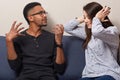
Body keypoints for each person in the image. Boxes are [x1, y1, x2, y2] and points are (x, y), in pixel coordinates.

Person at [6, 2, 65, 80]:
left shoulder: (53, 37)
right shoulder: (19, 38)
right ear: (30, 18)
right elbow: (14, 66)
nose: (45, 15)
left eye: (44, 12)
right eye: (41, 13)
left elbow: (60, 69)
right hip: (25, 77)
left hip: (47, 77)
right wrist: (9, 42)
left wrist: (59, 43)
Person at [64, 2, 120, 80]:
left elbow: (97, 32)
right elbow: (67, 28)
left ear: (97, 17)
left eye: (88, 17)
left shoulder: (112, 31)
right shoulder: (88, 34)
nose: (85, 21)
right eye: (85, 17)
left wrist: (97, 19)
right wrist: (83, 18)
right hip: (88, 76)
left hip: (108, 74)